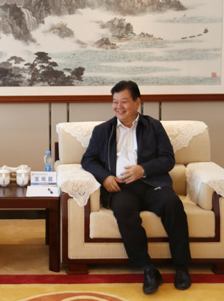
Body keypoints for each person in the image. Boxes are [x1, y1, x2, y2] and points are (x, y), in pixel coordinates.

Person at [81, 80, 192, 294]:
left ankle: (182, 266)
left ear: (137, 102)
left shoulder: (154, 126)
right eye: (115, 102)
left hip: (152, 183)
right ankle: (148, 268)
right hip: (121, 187)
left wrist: (143, 169)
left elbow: (168, 159)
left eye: (124, 101)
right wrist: (105, 177)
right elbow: (88, 160)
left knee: (172, 204)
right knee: (123, 211)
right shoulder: (102, 130)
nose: (118, 107)